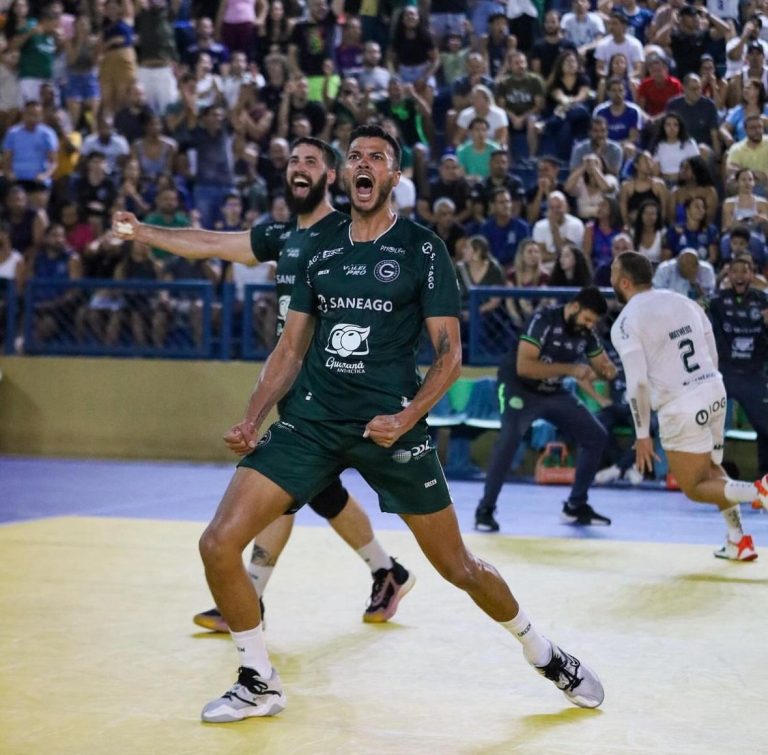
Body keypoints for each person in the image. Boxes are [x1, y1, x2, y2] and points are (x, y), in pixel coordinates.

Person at [134, 124, 605, 722]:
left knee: (459, 566)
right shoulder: (317, 244)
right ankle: (258, 679)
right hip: (312, 422)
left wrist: (408, 416)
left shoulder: (420, 248)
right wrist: (252, 417)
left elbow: (450, 355)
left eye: (376, 158)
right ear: (343, 173)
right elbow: (290, 347)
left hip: (391, 425)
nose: (363, 164)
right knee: (217, 542)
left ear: (394, 177)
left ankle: (543, 652)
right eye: (354, 156)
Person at [113, 136, 415, 631]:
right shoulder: (282, 236)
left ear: (331, 176)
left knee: (286, 485)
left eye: (311, 161)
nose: (299, 167)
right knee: (313, 491)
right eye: (293, 160)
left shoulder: (350, 231)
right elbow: (210, 242)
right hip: (296, 389)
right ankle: (386, 571)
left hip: (339, 391)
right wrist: (143, 232)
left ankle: (255, 595)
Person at [609, 251, 768, 560]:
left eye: (613, 273)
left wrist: (642, 434)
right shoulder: (683, 300)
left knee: (694, 486)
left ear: (624, 281)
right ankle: (737, 540)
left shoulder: (625, 323)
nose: (610, 278)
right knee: (711, 468)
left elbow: (638, 383)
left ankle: (760, 491)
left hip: (681, 406)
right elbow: (710, 347)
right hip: (714, 388)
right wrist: (711, 385)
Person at [475, 285, 617, 532]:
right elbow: (525, 367)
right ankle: (485, 509)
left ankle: (575, 506)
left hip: (553, 391)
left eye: (593, 322)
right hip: (518, 388)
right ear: (574, 307)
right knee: (509, 439)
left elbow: (603, 366)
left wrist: (607, 371)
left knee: (596, 436)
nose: (589, 325)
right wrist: (571, 370)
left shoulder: (587, 333)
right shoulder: (544, 319)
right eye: (586, 319)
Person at [707, 253, 768, 476]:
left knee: (766, 427)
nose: (740, 275)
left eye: (745, 271)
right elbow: (693, 308)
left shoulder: (764, 301)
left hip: (754, 375)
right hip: (724, 376)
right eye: (736, 271)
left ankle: (765, 479)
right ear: (728, 275)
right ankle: (703, 474)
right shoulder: (717, 300)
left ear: (752, 275)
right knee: (705, 422)